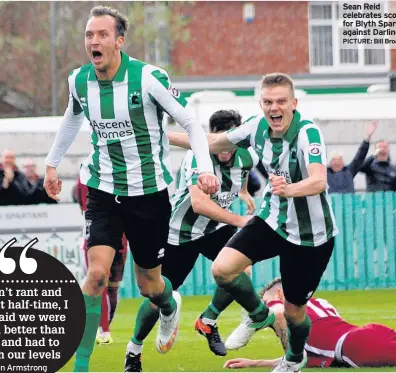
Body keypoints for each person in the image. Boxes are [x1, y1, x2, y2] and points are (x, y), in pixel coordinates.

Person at [43, 6, 219, 372]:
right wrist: (51, 164)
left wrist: (205, 167)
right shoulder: (78, 81)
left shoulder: (148, 79)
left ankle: (169, 306)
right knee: (95, 274)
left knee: (149, 285)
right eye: (89, 35)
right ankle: (82, 365)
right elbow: (71, 117)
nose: (94, 41)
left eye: (102, 35)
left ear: (119, 41)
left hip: (149, 195)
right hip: (103, 190)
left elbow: (190, 123)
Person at [168, 72, 338, 372]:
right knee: (222, 268)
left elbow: (319, 180)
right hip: (272, 220)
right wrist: (160, 136)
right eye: (268, 101)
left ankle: (294, 358)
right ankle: (257, 315)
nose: (275, 108)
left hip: (313, 235)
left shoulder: (307, 133)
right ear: (261, 104)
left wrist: (290, 189)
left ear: (294, 103)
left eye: (282, 101)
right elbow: (212, 142)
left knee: (295, 311)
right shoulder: (255, 127)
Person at [125, 110, 257, 372]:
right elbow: (199, 204)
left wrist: (242, 193)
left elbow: (242, 174)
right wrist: (240, 221)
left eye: (229, 142)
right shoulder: (197, 157)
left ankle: (208, 320)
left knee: (242, 269)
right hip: (180, 232)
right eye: (219, 140)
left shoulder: (246, 155)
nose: (225, 149)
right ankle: (134, 351)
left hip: (215, 229)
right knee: (157, 294)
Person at [224, 277, 396, 369]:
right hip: (370, 332)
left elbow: (276, 311)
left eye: (266, 301)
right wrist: (255, 363)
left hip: (354, 345)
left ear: (279, 294)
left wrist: (258, 315)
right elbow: (303, 356)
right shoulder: (316, 303)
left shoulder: (282, 305)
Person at [74, 177, 126, 345]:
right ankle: (103, 329)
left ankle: (102, 329)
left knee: (100, 281)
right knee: (109, 285)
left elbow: (84, 206)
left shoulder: (87, 172)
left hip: (97, 234)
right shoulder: (121, 168)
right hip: (121, 236)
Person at [327, 121, 377, 193]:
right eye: (334, 160)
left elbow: (359, 157)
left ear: (343, 162)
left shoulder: (349, 170)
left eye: (339, 160)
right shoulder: (324, 174)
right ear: (330, 163)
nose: (337, 162)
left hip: (348, 203)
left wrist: (367, 137)